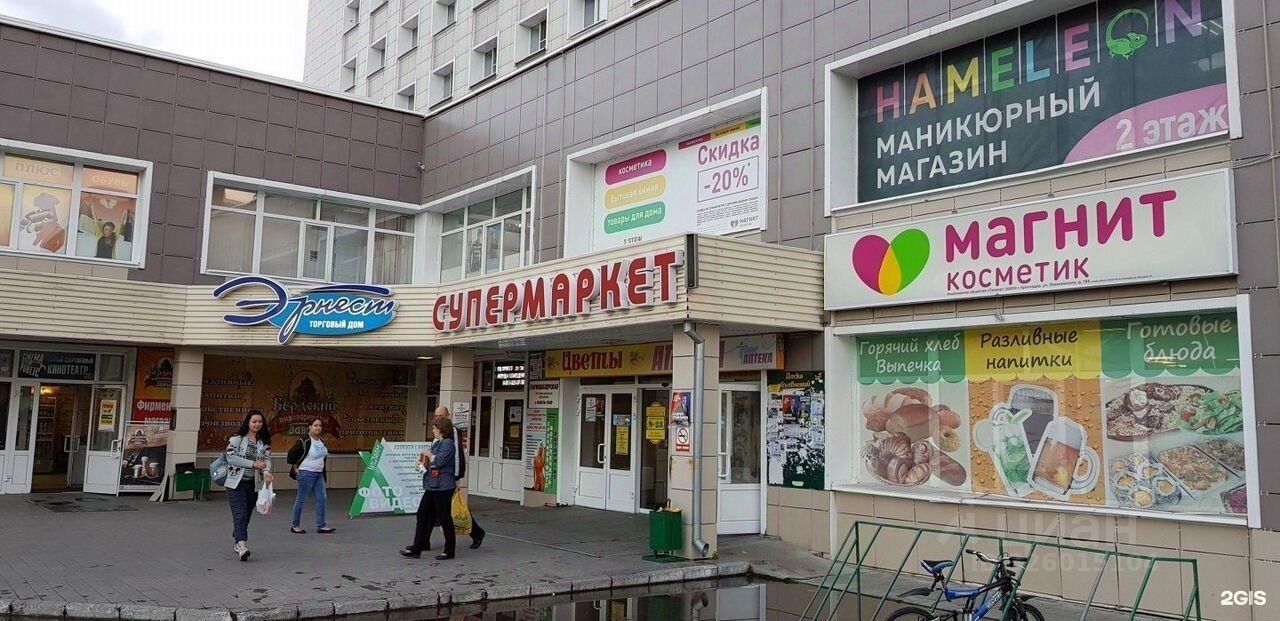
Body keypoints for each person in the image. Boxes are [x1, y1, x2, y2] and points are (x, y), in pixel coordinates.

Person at [401, 417, 459, 560]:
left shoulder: (448, 444)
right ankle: (418, 547)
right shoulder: (437, 443)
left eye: (434, 428)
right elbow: (430, 462)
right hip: (432, 485)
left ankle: (449, 550)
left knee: (444, 518)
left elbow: (439, 461)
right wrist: (421, 463)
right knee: (422, 514)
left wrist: (429, 455)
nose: (432, 430)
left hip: (443, 487)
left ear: (441, 429)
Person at [431, 405, 485, 548]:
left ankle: (476, 532)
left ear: (448, 416)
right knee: (432, 509)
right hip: (437, 477)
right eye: (436, 416)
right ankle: (422, 541)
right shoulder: (437, 430)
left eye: (441, 415)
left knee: (454, 509)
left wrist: (456, 477)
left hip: (448, 477)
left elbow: (456, 455)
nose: (438, 418)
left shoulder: (452, 431)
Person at [224, 410, 273, 561]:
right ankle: (242, 546)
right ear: (248, 422)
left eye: (260, 422)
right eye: (254, 421)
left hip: (253, 483)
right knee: (240, 513)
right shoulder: (237, 439)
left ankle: (237, 537)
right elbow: (231, 457)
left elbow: (267, 459)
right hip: (235, 483)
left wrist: (266, 471)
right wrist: (252, 464)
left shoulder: (264, 442)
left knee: (246, 513)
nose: (257, 424)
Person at [287, 418, 334, 535]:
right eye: (315, 425)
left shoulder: (321, 442)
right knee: (301, 499)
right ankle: (295, 525)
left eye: (320, 426)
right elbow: (291, 454)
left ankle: (321, 525)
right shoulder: (304, 441)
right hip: (306, 473)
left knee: (322, 498)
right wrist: (295, 468)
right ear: (309, 427)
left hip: (319, 474)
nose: (318, 428)